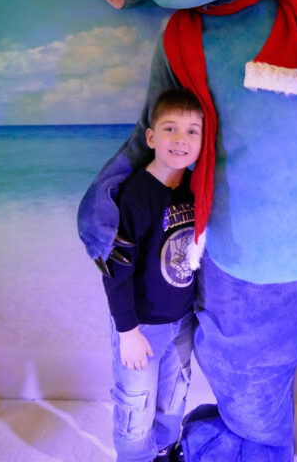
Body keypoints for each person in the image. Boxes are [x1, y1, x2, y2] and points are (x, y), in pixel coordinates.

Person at [102, 88, 204, 462]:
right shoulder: (136, 194)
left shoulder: (194, 189)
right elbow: (115, 270)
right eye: (170, 128)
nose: (181, 139)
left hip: (183, 321)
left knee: (173, 399)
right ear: (151, 137)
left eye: (192, 131)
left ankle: (163, 451)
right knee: (135, 408)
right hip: (142, 327)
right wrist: (127, 331)